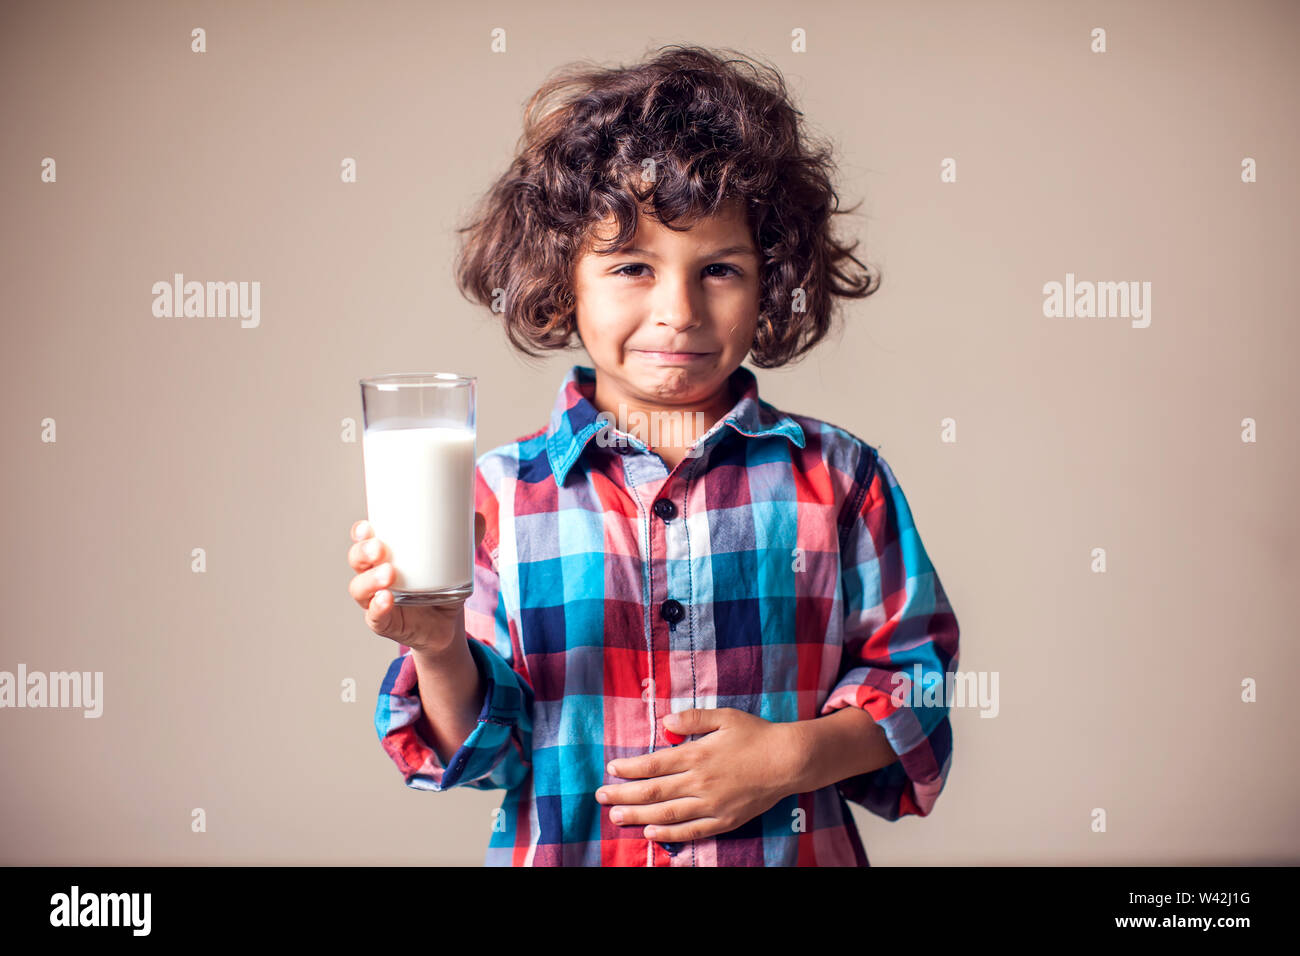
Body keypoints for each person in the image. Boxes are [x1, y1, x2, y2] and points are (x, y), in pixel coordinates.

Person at [349, 44, 960, 866]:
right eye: (632, 266)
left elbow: (917, 684)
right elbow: (485, 751)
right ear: (565, 279)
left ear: (769, 279)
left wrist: (790, 759)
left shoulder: (842, 478)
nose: (678, 311)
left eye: (719, 269)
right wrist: (437, 646)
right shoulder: (499, 493)